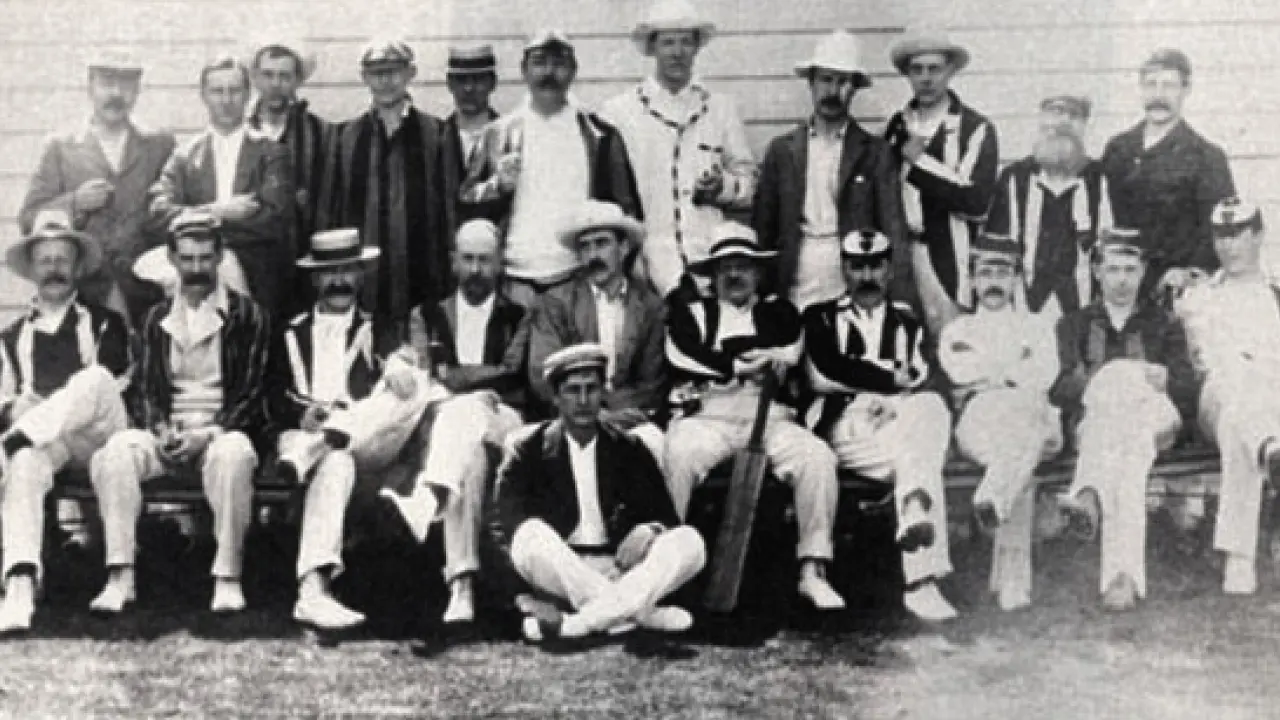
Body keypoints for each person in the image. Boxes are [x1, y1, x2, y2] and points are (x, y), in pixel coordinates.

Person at [90, 210, 272, 615]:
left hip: (220, 432)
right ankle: (121, 574)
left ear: (220, 257)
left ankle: (227, 577)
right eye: (187, 259)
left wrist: (206, 434)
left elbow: (252, 394)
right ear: (172, 259)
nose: (196, 269)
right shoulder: (156, 319)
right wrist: (159, 429)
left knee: (235, 454)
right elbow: (144, 389)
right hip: (169, 433)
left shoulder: (248, 316)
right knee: (116, 451)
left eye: (205, 258)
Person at [664, 222, 844, 610]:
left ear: (758, 272)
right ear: (713, 274)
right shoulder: (692, 312)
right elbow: (681, 355)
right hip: (709, 415)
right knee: (678, 455)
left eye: (743, 265)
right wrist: (739, 364)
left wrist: (749, 357)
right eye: (725, 267)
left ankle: (813, 569)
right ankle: (664, 572)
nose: (734, 275)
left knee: (817, 458)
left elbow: (790, 351)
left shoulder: (780, 310)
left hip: (770, 417)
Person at [490, 343, 706, 648]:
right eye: (572, 391)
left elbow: (666, 517)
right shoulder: (529, 448)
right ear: (556, 398)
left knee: (689, 541)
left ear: (602, 393)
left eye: (591, 389)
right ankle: (638, 613)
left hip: (620, 568)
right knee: (531, 533)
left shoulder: (628, 447)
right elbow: (501, 530)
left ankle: (579, 623)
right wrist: (521, 597)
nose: (583, 401)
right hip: (560, 568)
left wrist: (651, 529)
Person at [800, 229, 956, 621]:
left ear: (889, 270)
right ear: (844, 270)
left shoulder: (906, 319)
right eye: (857, 267)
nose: (867, 277)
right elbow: (823, 374)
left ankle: (915, 510)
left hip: (897, 419)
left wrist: (888, 395)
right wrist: (888, 380)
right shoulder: (819, 316)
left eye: (875, 267)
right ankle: (921, 579)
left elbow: (922, 375)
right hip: (846, 422)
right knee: (919, 450)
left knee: (930, 407)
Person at [1051, 231, 1197, 611]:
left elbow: (1188, 387)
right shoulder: (1074, 324)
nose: (1121, 280)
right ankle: (1122, 579)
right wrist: (1097, 379)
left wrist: (1166, 377)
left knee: (1122, 386)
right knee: (1128, 452)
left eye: (1130, 270)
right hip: (1107, 426)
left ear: (1143, 272)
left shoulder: (1164, 322)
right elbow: (1060, 388)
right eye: (1113, 269)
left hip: (1156, 416)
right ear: (1097, 272)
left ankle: (1088, 491)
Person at [0, 211, 131, 633]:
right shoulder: (11, 337)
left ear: (77, 268)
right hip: (49, 445)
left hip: (101, 439)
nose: (54, 269)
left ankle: (16, 440)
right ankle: (20, 583)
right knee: (24, 461)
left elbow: (115, 387)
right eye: (45, 260)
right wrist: (16, 410)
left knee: (94, 379)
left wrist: (38, 414)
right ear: (32, 270)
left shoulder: (106, 323)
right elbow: (2, 398)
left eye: (62, 260)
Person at [460, 29, 643, 308]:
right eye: (539, 62)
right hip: (514, 282)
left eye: (559, 64)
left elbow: (626, 208)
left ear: (573, 71)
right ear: (524, 70)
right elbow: (464, 201)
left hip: (579, 279)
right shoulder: (498, 133)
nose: (549, 72)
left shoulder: (599, 135)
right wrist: (498, 185)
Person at [599, 0, 756, 298]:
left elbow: (749, 184)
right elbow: (609, 194)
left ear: (697, 47)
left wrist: (723, 187)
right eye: (668, 42)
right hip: (646, 268)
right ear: (652, 47)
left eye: (686, 42)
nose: (677, 52)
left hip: (708, 262)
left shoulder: (720, 109)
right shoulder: (620, 112)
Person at [938, 233, 1061, 611]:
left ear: (1017, 279)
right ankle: (1012, 580)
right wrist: (1014, 369)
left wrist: (993, 375)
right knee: (1022, 444)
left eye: (1002, 273)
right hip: (982, 421)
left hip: (1029, 413)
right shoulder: (958, 330)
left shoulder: (1038, 326)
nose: (993, 282)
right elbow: (960, 372)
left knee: (1022, 430)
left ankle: (993, 495)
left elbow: (1045, 374)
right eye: (985, 273)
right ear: (973, 279)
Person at [19, 50, 176, 326]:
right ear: (89, 87)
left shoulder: (159, 145)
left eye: (126, 85)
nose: (116, 94)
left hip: (148, 287)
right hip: (85, 288)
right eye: (107, 83)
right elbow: (29, 218)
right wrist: (74, 203)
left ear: (138, 90)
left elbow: (175, 211)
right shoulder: (61, 147)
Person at [754, 30, 907, 311]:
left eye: (843, 81)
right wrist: (762, 291)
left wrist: (899, 299)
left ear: (855, 88)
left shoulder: (875, 153)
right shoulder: (782, 150)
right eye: (826, 79)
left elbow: (893, 228)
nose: (833, 91)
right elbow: (764, 228)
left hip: (852, 272)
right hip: (796, 272)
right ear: (811, 83)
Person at [1174, 198, 1278, 595]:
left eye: (1238, 235)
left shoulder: (1276, 293)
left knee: (1242, 423)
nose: (1228, 246)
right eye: (1221, 236)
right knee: (1239, 381)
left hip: (1264, 406)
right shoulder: (1199, 296)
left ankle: (1239, 559)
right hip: (1215, 400)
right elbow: (1201, 363)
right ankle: (1270, 447)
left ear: (1259, 236)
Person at [147, 55, 292, 315]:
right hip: (195, 276)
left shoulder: (271, 153)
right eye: (217, 91)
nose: (226, 100)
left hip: (256, 277)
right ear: (203, 95)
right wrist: (217, 211)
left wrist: (193, 222)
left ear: (248, 94)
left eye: (234, 91)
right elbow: (158, 211)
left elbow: (273, 219)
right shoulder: (185, 156)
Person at [317, 39, 448, 325]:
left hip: (421, 276)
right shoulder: (345, 138)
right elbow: (330, 214)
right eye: (377, 73)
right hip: (364, 284)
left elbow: (448, 212)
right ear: (364, 77)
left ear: (411, 73)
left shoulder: (436, 133)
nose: (386, 81)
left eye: (394, 71)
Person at [526, 201, 666, 458]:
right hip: (568, 417)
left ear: (623, 248)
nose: (593, 256)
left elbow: (651, 383)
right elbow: (542, 373)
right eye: (585, 247)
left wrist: (612, 414)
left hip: (628, 417)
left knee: (656, 446)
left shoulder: (650, 306)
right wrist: (591, 411)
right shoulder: (555, 302)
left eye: (601, 243)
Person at [883, 32, 999, 336]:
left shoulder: (975, 128)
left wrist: (919, 161)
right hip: (903, 254)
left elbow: (976, 203)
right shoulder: (897, 124)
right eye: (917, 70)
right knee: (904, 341)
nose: (926, 78)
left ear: (950, 71)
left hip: (950, 255)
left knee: (952, 341)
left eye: (934, 69)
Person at [1101, 49, 1235, 300]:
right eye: (1151, 85)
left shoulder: (1206, 157)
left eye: (1169, 86)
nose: (1158, 95)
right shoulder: (1118, 149)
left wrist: (1190, 272)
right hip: (1122, 286)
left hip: (1176, 291)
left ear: (1186, 89)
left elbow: (1219, 231)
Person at [985, 94, 1110, 321]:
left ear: (1085, 125)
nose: (1063, 122)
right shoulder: (1014, 179)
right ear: (1041, 119)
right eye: (1056, 111)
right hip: (1023, 309)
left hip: (1083, 310)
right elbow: (995, 250)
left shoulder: (1100, 180)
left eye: (1074, 115)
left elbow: (1109, 251)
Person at [406, 218, 530, 413]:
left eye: (484, 259)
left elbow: (510, 374)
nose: (475, 270)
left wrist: (448, 377)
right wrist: (486, 374)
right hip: (441, 412)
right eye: (468, 259)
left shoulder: (518, 317)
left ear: (499, 263)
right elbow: (423, 372)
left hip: (498, 412)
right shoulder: (425, 316)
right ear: (454, 262)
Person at [246, 38, 330, 315]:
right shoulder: (240, 130)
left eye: (284, 76)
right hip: (249, 259)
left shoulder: (318, 133)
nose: (275, 84)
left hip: (300, 260)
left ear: (297, 81)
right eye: (268, 75)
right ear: (255, 77)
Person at [440, 44, 502, 240]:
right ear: (449, 84)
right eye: (461, 80)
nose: (468, 88)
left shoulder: (510, 137)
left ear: (493, 83)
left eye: (478, 79)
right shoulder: (434, 140)